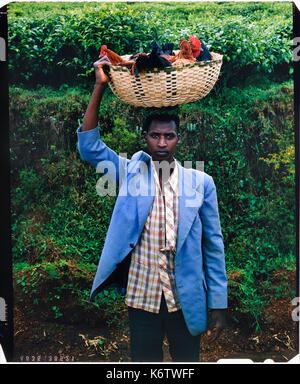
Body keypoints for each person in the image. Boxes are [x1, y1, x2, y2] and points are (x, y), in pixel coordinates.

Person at [76, 62, 228, 362]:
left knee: (187, 364)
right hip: (141, 297)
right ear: (144, 137)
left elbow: (213, 247)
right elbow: (90, 148)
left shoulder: (201, 183)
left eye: (169, 136)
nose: (162, 143)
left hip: (186, 300)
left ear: (178, 139)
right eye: (155, 135)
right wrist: (100, 86)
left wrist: (219, 302)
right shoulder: (130, 173)